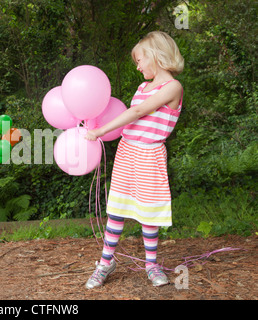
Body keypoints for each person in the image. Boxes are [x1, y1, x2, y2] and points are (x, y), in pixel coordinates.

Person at [84, 31, 184, 289]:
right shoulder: (143, 87)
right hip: (128, 152)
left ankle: (151, 264)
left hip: (150, 155)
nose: (138, 66)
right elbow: (133, 117)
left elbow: (138, 111)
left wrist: (99, 132)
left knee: (148, 212)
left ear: (155, 56)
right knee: (117, 209)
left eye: (140, 60)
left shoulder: (173, 87)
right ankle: (105, 262)